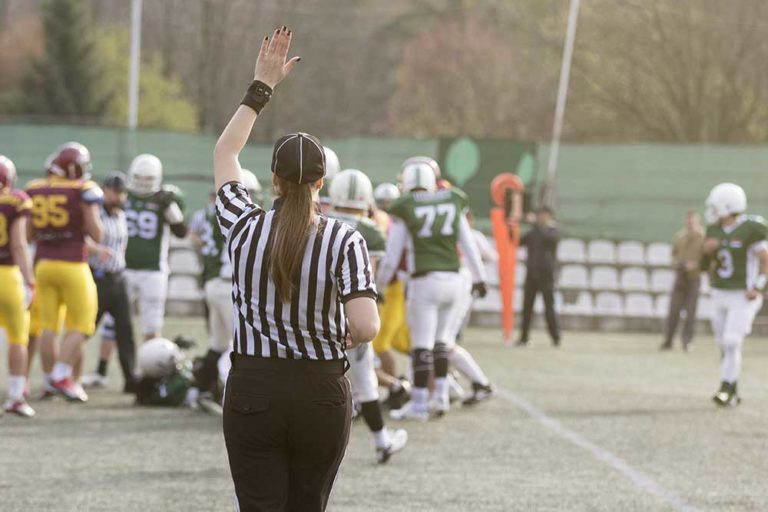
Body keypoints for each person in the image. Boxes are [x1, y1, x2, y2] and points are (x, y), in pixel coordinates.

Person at [214, 27, 379, 511]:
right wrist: (341, 334)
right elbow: (366, 325)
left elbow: (226, 153)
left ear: (273, 180)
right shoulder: (344, 237)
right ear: (322, 181)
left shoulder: (244, 227)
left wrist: (261, 88)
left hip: (254, 388)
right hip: (320, 391)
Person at [377, 157, 486, 420]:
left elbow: (392, 255)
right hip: (454, 279)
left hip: (424, 280)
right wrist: (480, 278)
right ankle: (440, 397)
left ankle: (419, 405)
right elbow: (468, 243)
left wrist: (379, 285)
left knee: (422, 345)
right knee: (441, 343)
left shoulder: (404, 207)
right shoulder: (452, 199)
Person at [329, 168, 408, 463]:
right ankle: (380, 441)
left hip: (319, 313)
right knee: (364, 383)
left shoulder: (324, 223)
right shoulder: (372, 232)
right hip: (352, 315)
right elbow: (370, 278)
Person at [26, 142, 103, 402]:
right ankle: (61, 374)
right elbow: (97, 233)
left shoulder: (35, 189)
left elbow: (28, 234)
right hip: (72, 265)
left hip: (43, 265)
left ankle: (48, 380)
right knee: (82, 324)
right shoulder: (83, 190)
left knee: (49, 327)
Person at [188, 170, 261, 398]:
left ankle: (199, 390)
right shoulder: (237, 218)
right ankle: (228, 394)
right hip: (228, 285)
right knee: (240, 345)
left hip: (213, 284)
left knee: (219, 343)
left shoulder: (211, 215)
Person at [701, 183, 767, 407]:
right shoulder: (713, 230)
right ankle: (733, 388)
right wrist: (706, 252)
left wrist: (758, 287)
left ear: (727, 206)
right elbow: (704, 265)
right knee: (723, 343)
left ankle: (725, 388)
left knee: (731, 341)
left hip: (742, 294)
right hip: (719, 292)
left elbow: (765, 260)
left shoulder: (751, 228)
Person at [120, 153, 187, 341]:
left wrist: (169, 206)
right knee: (113, 324)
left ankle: (149, 366)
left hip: (153, 271)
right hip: (123, 268)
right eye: (138, 177)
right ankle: (102, 368)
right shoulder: (122, 194)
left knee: (151, 326)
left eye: (147, 178)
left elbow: (181, 232)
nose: (142, 182)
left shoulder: (164, 198)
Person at [81, 172, 136, 393]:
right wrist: (97, 250)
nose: (118, 196)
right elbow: (81, 238)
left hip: (118, 278)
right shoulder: (95, 214)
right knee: (85, 328)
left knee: (126, 331)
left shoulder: (121, 215)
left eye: (121, 192)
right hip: (98, 278)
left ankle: (131, 379)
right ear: (105, 190)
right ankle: (65, 374)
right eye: (114, 191)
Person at [0, 155, 36, 417]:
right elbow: (19, 244)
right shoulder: (16, 201)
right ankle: (15, 396)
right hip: (8, 275)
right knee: (17, 337)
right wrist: (30, 279)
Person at [517, 206, 561, 347]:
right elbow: (518, 242)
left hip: (546, 275)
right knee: (527, 307)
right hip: (531, 273)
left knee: (549, 307)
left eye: (543, 215)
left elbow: (549, 239)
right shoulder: (533, 232)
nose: (541, 217)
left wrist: (533, 224)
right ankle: (524, 337)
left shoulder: (552, 231)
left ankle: (555, 337)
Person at [660, 210, 704, 351]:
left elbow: (706, 261)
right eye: (688, 221)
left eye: (693, 222)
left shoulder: (703, 238)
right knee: (673, 310)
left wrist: (695, 265)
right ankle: (668, 340)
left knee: (691, 312)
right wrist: (677, 263)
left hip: (694, 278)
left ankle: (687, 342)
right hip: (680, 277)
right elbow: (673, 255)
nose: (690, 224)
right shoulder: (679, 237)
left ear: (697, 222)